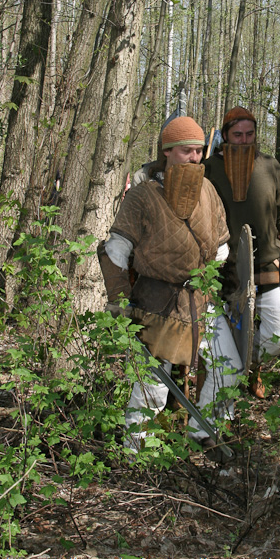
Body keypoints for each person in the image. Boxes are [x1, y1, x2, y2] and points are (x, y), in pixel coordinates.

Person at [98, 116, 242, 456]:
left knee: (229, 368)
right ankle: (134, 452)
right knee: (152, 385)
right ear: (167, 152)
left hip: (201, 299)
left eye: (198, 151)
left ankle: (202, 431)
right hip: (157, 301)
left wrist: (210, 276)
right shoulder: (143, 196)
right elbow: (115, 251)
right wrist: (120, 303)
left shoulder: (209, 191)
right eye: (185, 151)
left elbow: (222, 248)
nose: (194, 157)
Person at [204, 106, 280, 397]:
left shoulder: (270, 166)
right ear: (225, 136)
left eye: (249, 134)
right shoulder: (209, 169)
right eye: (237, 134)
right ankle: (230, 382)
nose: (244, 140)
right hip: (224, 269)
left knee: (276, 336)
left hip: (267, 266)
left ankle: (254, 367)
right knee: (227, 335)